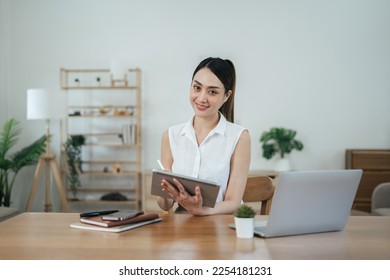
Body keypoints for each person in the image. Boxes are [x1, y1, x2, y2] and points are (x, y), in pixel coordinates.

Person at [157, 57, 251, 216]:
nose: (201, 98)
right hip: (182, 230)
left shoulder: (239, 137)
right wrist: (165, 191)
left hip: (220, 229)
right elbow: (165, 205)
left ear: (226, 96)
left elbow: (234, 202)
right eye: (197, 88)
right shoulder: (170, 135)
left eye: (212, 91)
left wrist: (201, 210)